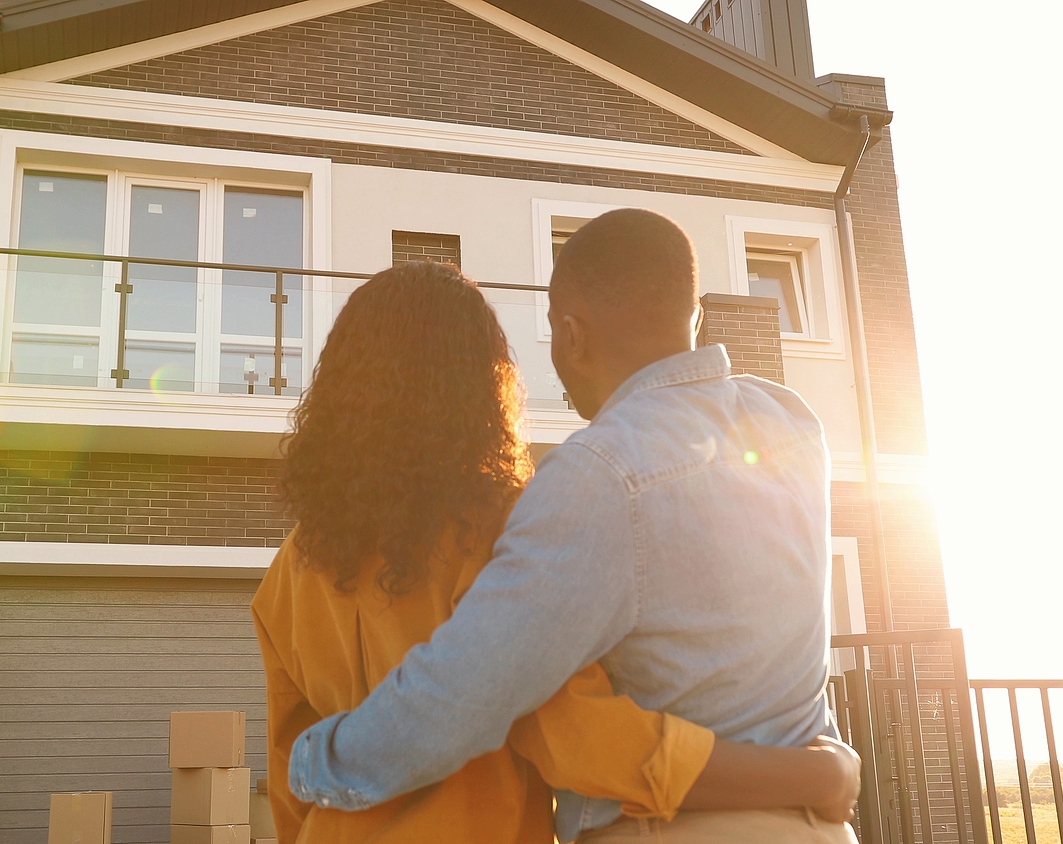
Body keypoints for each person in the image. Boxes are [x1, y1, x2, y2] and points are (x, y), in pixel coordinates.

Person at [285, 211, 854, 843]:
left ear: (570, 334)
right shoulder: (795, 426)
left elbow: (443, 700)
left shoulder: (293, 564)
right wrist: (811, 777)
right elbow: (567, 733)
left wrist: (305, 768)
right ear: (693, 318)